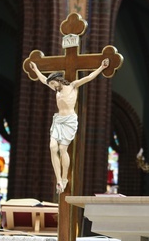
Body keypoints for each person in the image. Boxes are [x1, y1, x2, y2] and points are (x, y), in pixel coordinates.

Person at [30, 59, 110, 193]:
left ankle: (64, 177)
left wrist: (101, 67)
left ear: (59, 80)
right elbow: (44, 79)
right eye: (52, 84)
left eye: (54, 83)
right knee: (52, 146)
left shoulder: (73, 86)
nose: (53, 86)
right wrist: (35, 69)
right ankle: (59, 180)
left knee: (62, 149)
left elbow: (89, 77)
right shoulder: (56, 89)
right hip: (58, 120)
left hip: (69, 121)